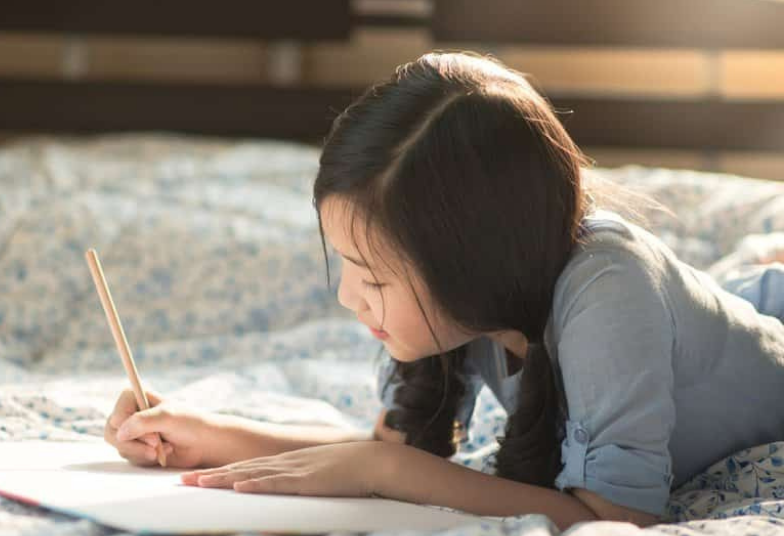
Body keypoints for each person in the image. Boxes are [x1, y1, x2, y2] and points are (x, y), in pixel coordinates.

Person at [103, 52, 784, 531]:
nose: (348, 298)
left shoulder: (606, 294)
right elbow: (372, 453)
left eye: (372, 276)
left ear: (470, 260)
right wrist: (203, 434)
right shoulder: (473, 305)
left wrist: (389, 472)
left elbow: (619, 517)